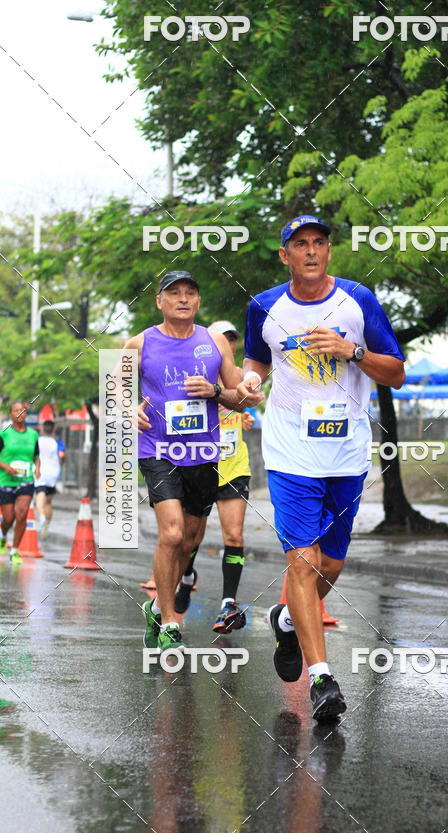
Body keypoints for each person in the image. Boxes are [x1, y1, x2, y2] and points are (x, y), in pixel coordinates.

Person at [237, 214, 405, 721]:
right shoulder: (263, 306)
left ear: (329, 251)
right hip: (289, 453)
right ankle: (323, 679)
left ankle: (287, 620)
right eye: (299, 244)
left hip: (346, 452)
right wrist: (248, 382)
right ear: (284, 254)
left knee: (330, 565)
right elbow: (255, 362)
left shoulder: (358, 301)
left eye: (319, 243)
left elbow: (395, 373)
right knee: (304, 563)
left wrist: (351, 351)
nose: (310, 251)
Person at [125, 270, 261, 653]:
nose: (183, 299)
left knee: (189, 539)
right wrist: (127, 409)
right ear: (160, 302)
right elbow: (112, 393)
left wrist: (218, 391)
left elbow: (241, 396)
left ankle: (155, 605)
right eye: (174, 293)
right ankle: (170, 621)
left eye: (190, 292)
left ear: (198, 301)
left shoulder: (214, 342)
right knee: (170, 534)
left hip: (203, 453)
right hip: (158, 450)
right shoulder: (138, 343)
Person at [175, 319, 255, 634]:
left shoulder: (239, 378)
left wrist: (245, 415)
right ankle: (187, 576)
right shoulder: (193, 374)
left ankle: (228, 604)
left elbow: (248, 400)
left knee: (233, 536)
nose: (228, 343)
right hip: (200, 466)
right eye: (222, 338)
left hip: (234, 468)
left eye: (232, 339)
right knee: (190, 538)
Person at [0, 401, 41, 564]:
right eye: (16, 410)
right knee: (9, 518)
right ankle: (3, 537)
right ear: (11, 414)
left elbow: (36, 456)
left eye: (22, 411)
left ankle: (15, 551)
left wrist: (38, 469)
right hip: (6, 480)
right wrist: (5, 466)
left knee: (22, 514)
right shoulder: (4, 434)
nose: (19, 413)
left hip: (26, 480)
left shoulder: (33, 434)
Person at [34, 420, 66, 538]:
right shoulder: (57, 442)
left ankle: (42, 518)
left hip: (40, 471)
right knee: (48, 501)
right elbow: (62, 455)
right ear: (53, 429)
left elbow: (33, 455)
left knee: (39, 497)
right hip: (53, 473)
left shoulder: (37, 441)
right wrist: (61, 462)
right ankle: (46, 524)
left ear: (43, 428)